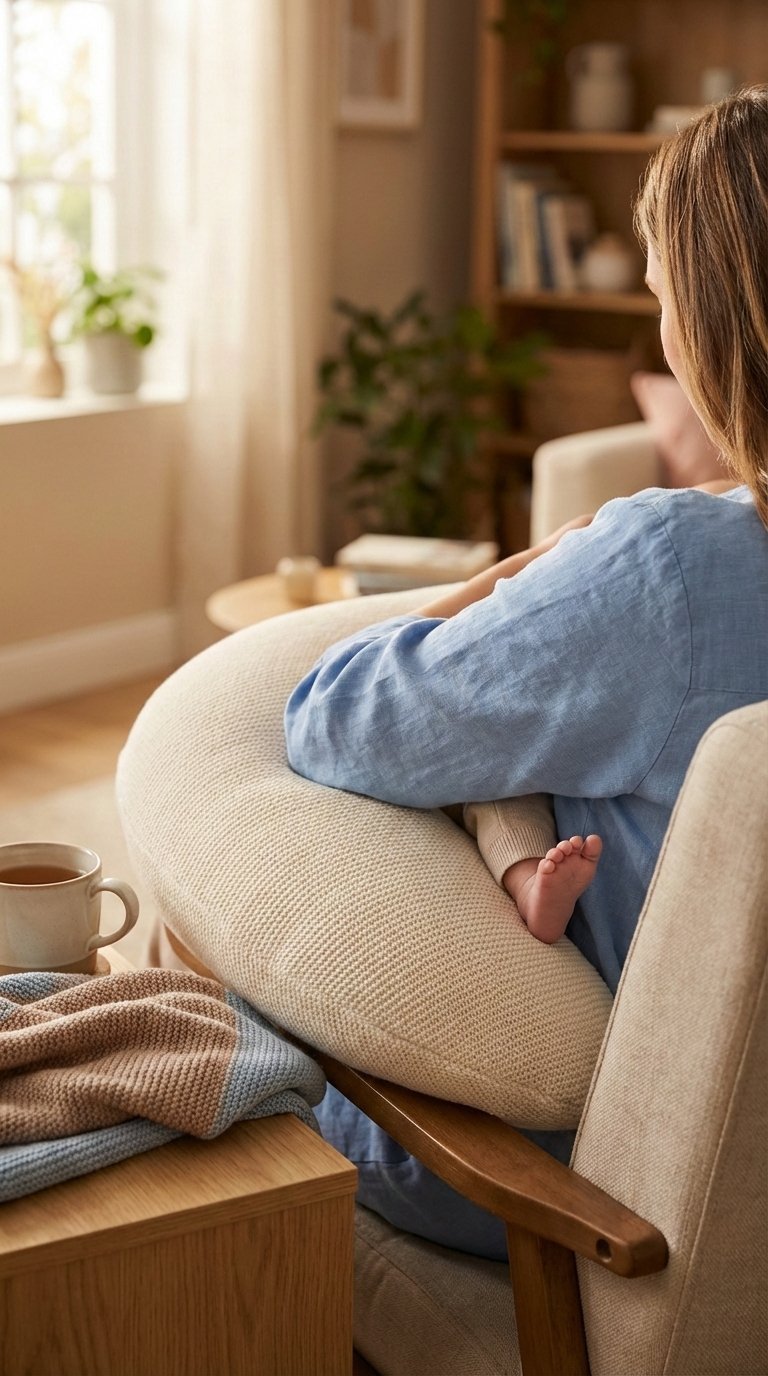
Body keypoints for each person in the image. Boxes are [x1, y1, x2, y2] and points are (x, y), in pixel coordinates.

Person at [284, 86, 768, 1260]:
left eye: (659, 299)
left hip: (600, 1194)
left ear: (704, 322)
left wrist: (534, 560)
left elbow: (334, 715)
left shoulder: (676, 569)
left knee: (222, 995)